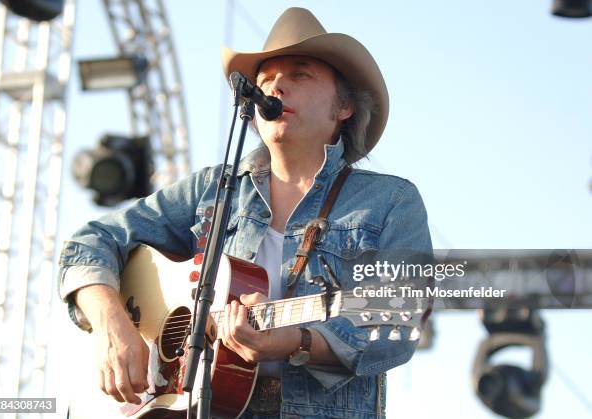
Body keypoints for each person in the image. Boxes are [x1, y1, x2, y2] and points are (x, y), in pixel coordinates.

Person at [58, 7, 432, 419]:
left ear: (343, 106)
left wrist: (297, 340)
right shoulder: (213, 189)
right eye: (265, 80)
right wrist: (112, 322)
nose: (277, 88)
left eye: (299, 75)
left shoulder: (390, 201)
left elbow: (397, 322)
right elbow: (87, 243)